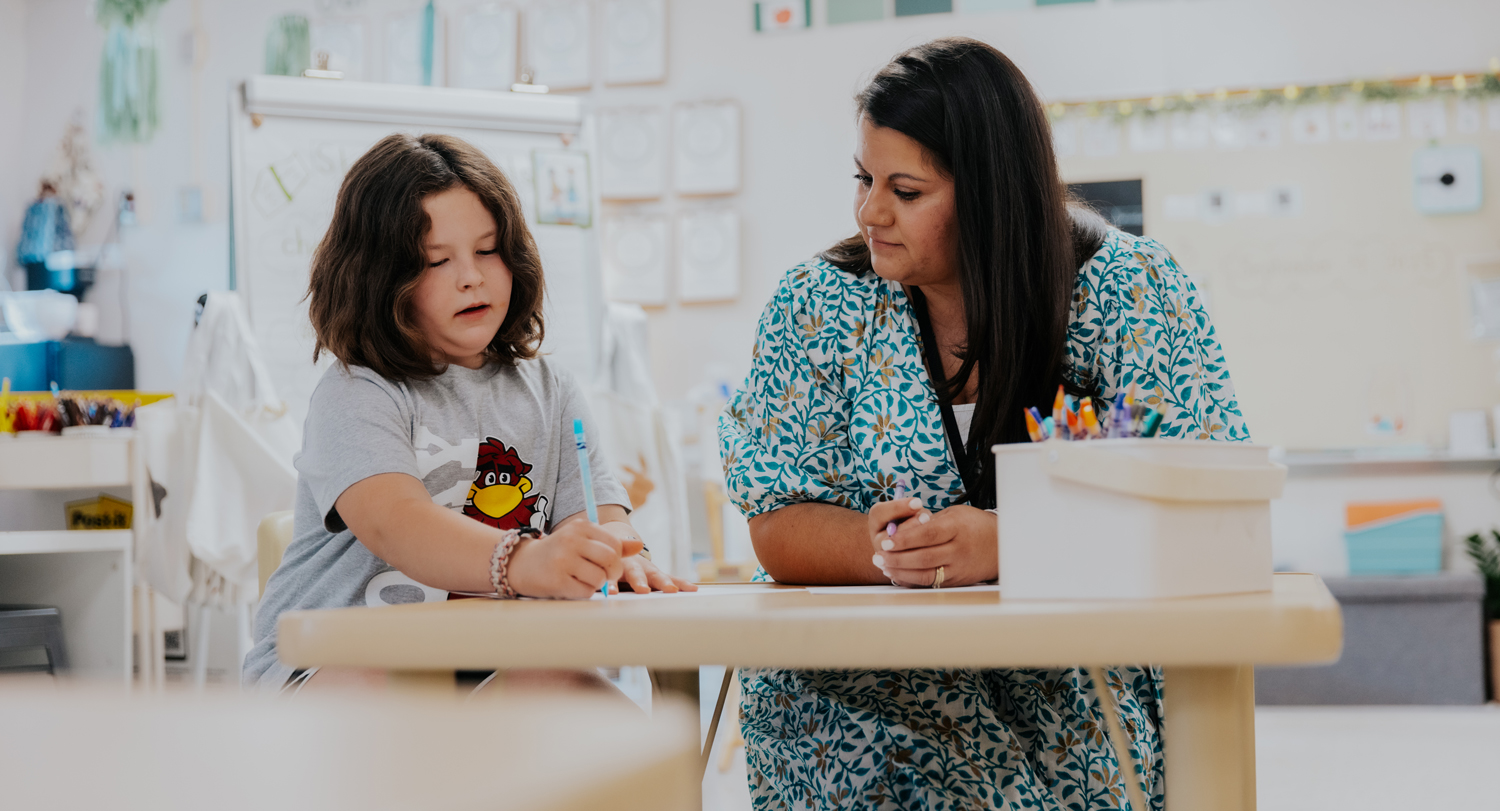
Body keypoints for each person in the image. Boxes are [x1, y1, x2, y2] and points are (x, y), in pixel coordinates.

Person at [719, 38, 1247, 810]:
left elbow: (1204, 505)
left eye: (906, 189)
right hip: (859, 682)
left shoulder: (1126, 293)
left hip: (1069, 680)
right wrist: (888, 551)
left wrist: (1006, 543)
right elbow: (776, 518)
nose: (870, 211)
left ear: (992, 191)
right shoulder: (817, 305)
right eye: (863, 179)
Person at [245, 133, 693, 692]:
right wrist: (525, 560)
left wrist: (614, 554)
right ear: (379, 281)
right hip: (331, 665)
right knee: (403, 689)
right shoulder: (356, 392)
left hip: (490, 658)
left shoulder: (552, 390)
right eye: (436, 261)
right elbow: (398, 526)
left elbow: (597, 518)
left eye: (487, 251)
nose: (471, 276)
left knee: (572, 689)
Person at [16, 180, 74, 291]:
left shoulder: (52, 207)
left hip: (45, 259)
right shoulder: (37, 208)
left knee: (45, 295)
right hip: (38, 260)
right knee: (40, 295)